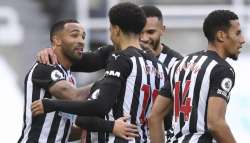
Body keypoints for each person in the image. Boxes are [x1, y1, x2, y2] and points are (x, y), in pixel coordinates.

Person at [31, 2, 167, 143]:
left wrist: (51, 105)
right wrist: (53, 51)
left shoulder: (120, 58)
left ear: (116, 30)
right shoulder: (161, 67)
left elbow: (99, 106)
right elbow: (159, 118)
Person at [148, 9, 245, 143]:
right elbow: (216, 124)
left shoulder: (180, 63)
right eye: (238, 33)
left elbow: (154, 117)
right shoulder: (222, 69)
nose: (243, 40)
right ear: (221, 36)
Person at [18, 19, 90, 143]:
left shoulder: (69, 77)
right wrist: (110, 82)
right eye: (74, 35)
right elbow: (74, 96)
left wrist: (94, 129)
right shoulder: (46, 66)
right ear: (56, 40)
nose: (81, 41)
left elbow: (62, 131)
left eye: (83, 37)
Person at [140, 5, 183, 141]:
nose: (144, 38)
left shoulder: (178, 63)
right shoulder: (125, 58)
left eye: (150, 32)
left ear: (162, 30)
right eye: (139, 32)